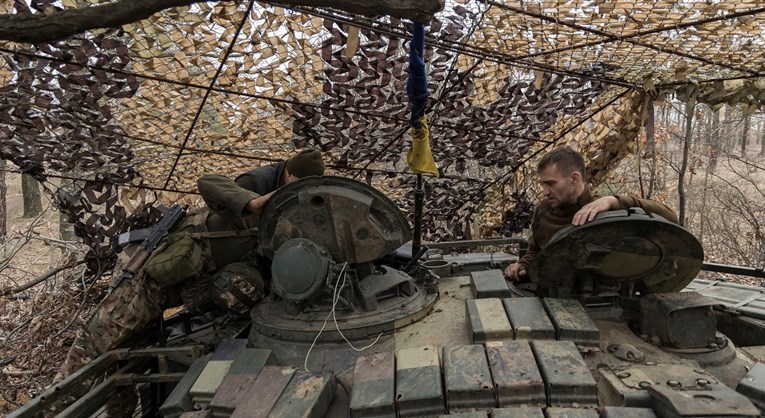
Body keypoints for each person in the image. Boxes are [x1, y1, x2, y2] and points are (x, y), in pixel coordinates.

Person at [51, 149, 324, 410]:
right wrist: (250, 202)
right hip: (149, 277)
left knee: (127, 357)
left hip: (184, 281)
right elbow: (209, 183)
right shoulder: (259, 181)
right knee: (93, 344)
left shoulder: (293, 208)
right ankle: (51, 408)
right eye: (297, 183)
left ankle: (120, 411)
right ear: (287, 174)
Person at [504, 146, 678, 282]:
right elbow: (535, 250)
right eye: (543, 184)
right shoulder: (543, 210)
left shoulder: (604, 208)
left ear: (574, 178)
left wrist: (615, 201)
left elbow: (670, 218)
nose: (545, 192)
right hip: (555, 297)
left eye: (551, 184)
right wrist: (523, 266)